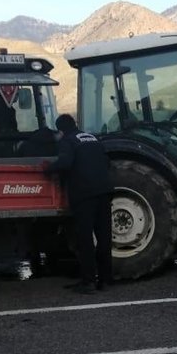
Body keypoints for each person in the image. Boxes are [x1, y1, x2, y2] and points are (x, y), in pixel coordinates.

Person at [47, 114, 113, 293]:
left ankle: (88, 282)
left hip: (85, 196)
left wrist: (48, 168)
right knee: (104, 238)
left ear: (60, 130)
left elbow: (66, 163)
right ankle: (106, 280)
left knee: (85, 240)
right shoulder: (92, 138)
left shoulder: (67, 141)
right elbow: (106, 162)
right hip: (105, 192)